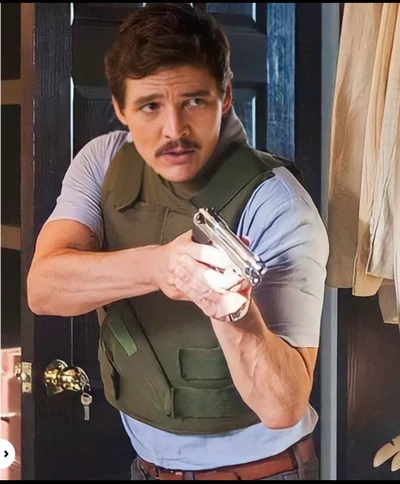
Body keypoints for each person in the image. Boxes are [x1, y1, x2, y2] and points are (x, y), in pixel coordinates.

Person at [27, 3, 329, 481]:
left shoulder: (277, 203)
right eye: (150, 106)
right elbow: (44, 289)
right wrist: (159, 267)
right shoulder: (104, 163)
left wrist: (234, 314)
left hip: (262, 472)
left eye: (194, 101)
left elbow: (282, 407)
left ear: (224, 96)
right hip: (149, 469)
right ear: (120, 108)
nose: (174, 130)